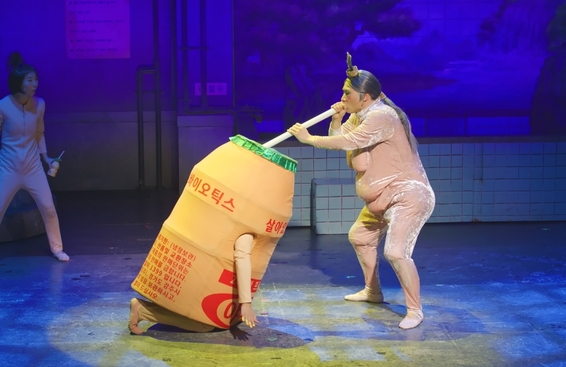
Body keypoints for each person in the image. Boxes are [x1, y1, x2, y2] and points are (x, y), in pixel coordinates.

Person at [287, 53, 435, 329]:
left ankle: (415, 310)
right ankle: (372, 291)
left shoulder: (382, 116)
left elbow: (349, 142)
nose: (342, 97)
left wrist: (309, 139)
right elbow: (345, 142)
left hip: (406, 195)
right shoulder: (359, 115)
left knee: (396, 252)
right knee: (360, 237)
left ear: (364, 97)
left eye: (347, 93)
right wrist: (337, 119)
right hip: (381, 198)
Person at [0, 52, 69, 267]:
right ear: (19, 83)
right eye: (30, 80)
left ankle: (58, 249)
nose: (35, 84)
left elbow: (39, 133)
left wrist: (46, 157)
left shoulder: (40, 104)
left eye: (36, 79)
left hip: (33, 167)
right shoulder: (2, 106)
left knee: (48, 208)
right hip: (8, 168)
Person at [128, 233, 258, 334]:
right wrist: (245, 302)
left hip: (191, 271)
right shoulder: (247, 229)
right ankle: (142, 311)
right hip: (197, 279)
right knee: (205, 324)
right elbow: (242, 257)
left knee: (228, 319)